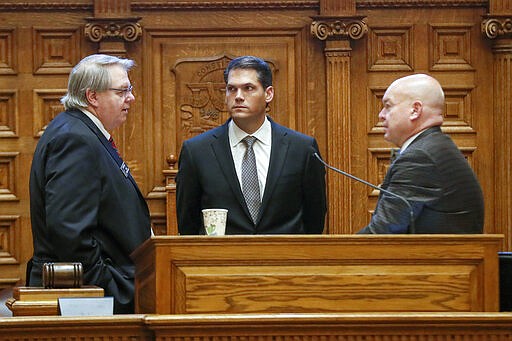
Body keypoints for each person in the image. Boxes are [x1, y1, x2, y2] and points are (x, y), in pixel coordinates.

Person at [28, 54, 151, 313]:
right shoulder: (75, 139)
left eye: (130, 89)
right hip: (87, 296)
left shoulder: (82, 132)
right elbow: (70, 232)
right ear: (92, 97)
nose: (131, 98)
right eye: (122, 91)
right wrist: (113, 286)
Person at [176, 55, 327, 235]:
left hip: (286, 260)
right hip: (221, 261)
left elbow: (314, 217)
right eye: (232, 89)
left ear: (268, 93)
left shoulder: (302, 149)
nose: (238, 97)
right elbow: (188, 222)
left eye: (248, 88)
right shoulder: (197, 151)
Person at [357, 73, 484, 234]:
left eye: (388, 106)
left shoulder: (421, 157)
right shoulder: (433, 147)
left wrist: (333, 257)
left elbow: (382, 234)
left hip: (438, 258)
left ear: (415, 110)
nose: (381, 115)